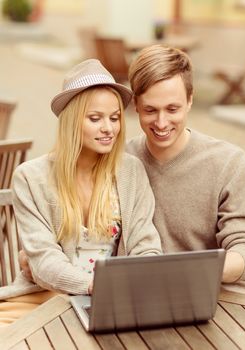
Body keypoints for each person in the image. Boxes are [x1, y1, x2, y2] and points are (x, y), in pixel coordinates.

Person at [0, 59, 161, 325]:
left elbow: (147, 246)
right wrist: (94, 285)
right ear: (73, 121)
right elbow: (43, 261)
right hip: (43, 296)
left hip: (111, 300)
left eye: (115, 118)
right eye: (95, 118)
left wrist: (127, 285)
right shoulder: (30, 177)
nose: (108, 128)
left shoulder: (131, 171)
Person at [126, 44, 245, 291]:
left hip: (214, 297)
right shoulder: (122, 159)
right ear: (135, 105)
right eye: (150, 110)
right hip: (143, 295)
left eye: (172, 109)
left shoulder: (230, 163)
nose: (161, 122)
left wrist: (190, 272)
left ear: (190, 99)